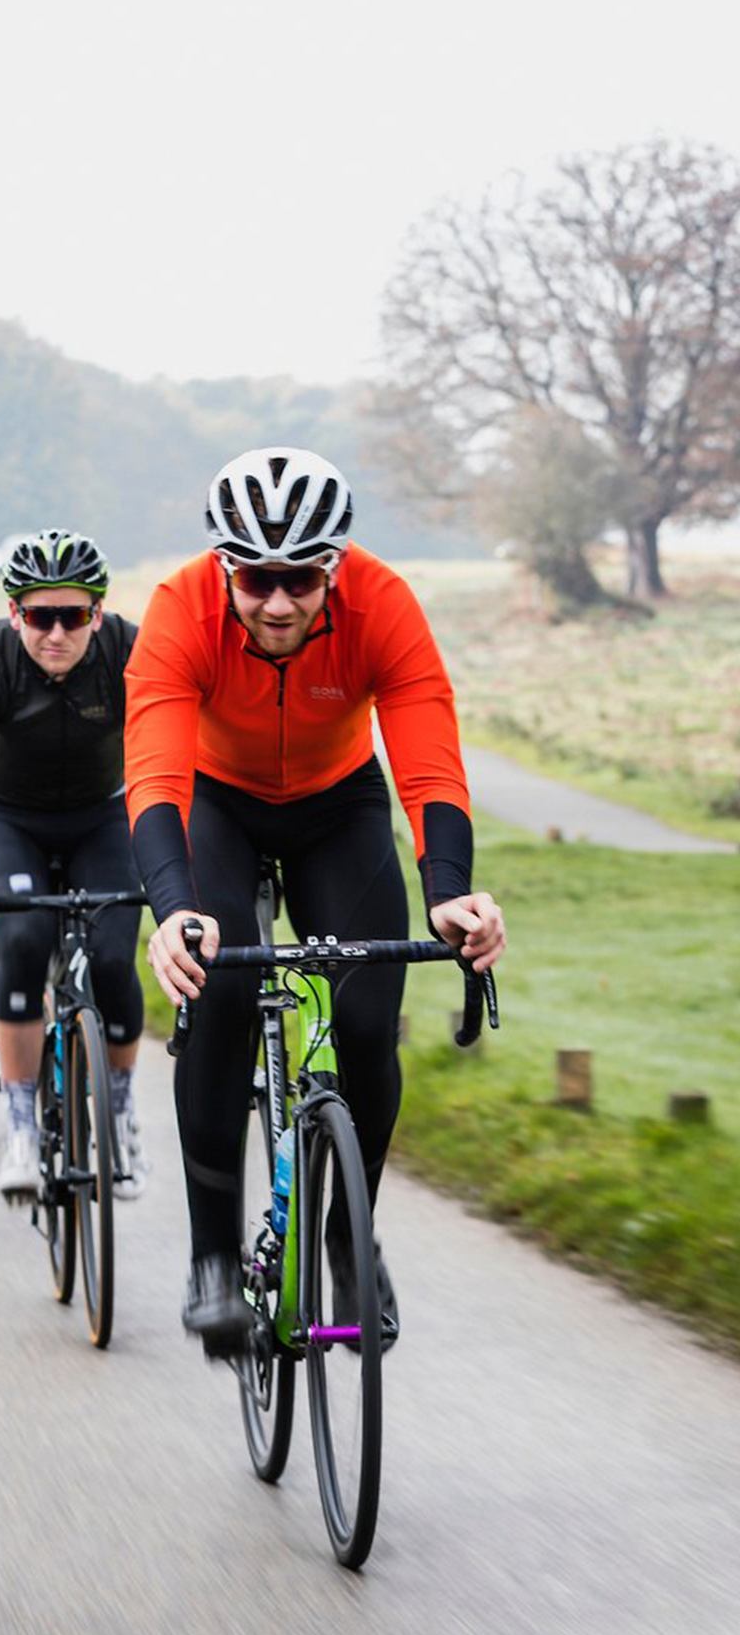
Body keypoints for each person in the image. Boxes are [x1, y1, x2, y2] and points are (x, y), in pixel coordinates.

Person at [125, 447, 506, 1352]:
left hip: (338, 806)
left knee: (370, 1018)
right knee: (217, 998)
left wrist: (449, 893)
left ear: (333, 566)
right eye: (258, 579)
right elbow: (154, 778)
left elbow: (428, 756)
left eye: (302, 577)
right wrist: (174, 907)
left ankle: (349, 1233)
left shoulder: (382, 604)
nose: (281, 602)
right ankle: (213, 1258)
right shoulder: (182, 611)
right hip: (218, 805)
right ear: (228, 568)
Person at [0, 528, 149, 1201]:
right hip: (12, 819)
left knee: (114, 956)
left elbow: (178, 745)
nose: (56, 633)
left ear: (99, 613)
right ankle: (22, 1124)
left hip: (103, 815)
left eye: (73, 616)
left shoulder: (128, 651)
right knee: (22, 940)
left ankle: (119, 1110)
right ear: (13, 614)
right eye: (39, 616)